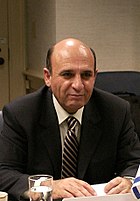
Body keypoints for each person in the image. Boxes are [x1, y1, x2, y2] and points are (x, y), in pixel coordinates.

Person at [0, 38, 140, 201]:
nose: (78, 85)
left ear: (95, 76)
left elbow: (134, 162)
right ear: (47, 77)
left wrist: (129, 180)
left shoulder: (116, 111)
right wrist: (48, 186)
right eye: (68, 74)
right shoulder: (21, 113)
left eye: (86, 75)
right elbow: (4, 172)